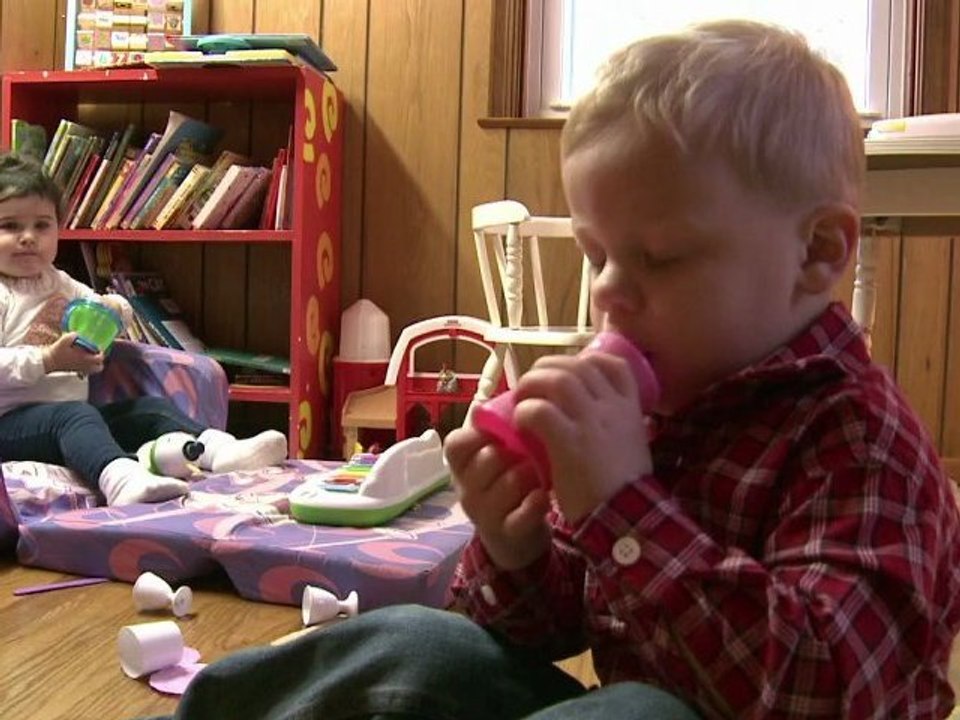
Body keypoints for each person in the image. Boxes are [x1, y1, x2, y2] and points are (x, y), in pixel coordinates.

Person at [152, 20, 960, 720]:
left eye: (660, 258)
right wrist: (515, 548)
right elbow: (544, 630)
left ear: (816, 254)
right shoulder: (657, 408)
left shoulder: (858, 438)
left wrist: (623, 506)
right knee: (422, 644)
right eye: (597, 255)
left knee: (641, 710)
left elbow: (828, 691)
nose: (607, 290)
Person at [0, 152, 287, 506]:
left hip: (72, 422)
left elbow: (103, 306)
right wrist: (47, 360)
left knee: (149, 409)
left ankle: (218, 451)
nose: (28, 237)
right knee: (75, 416)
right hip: (9, 426)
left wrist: (114, 310)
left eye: (42, 225)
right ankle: (119, 479)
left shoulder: (60, 282)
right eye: (10, 226)